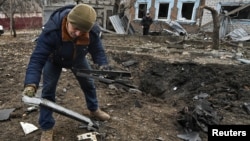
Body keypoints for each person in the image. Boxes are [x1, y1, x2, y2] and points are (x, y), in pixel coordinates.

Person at [22, 4, 110, 141]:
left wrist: (103, 64)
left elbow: (97, 49)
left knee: (88, 84)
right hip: (54, 60)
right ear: (68, 20)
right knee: (48, 91)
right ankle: (47, 127)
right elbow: (37, 60)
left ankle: (94, 110)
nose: (78, 34)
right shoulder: (51, 31)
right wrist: (31, 83)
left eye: (83, 31)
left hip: (78, 59)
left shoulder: (91, 31)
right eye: (75, 29)